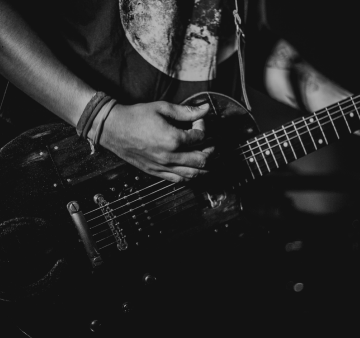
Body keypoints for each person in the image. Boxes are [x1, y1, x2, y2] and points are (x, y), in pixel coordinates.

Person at [1, 0, 360, 336]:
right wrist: (100, 118)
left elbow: (236, 42)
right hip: (58, 161)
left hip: (162, 216)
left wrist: (349, 108)